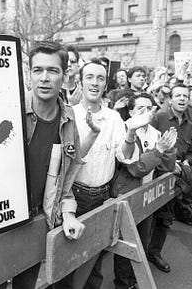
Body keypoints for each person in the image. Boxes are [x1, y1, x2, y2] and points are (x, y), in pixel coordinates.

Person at [0, 41, 86, 289]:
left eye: (53, 71)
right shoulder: (8, 106)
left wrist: (68, 214)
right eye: (38, 70)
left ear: (64, 75)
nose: (44, 78)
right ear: (29, 74)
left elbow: (67, 179)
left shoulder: (68, 118)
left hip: (35, 221)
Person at [61, 60, 140, 288]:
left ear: (106, 84)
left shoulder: (114, 117)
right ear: (80, 81)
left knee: (94, 260)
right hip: (73, 197)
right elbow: (66, 163)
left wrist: (131, 133)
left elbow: (123, 155)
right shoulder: (69, 115)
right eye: (90, 77)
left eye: (100, 78)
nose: (95, 83)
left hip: (102, 196)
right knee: (67, 260)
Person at [113, 93, 177, 289]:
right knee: (126, 245)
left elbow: (166, 166)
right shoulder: (123, 130)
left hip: (147, 194)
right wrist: (158, 150)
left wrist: (170, 150)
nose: (146, 113)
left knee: (141, 240)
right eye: (140, 108)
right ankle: (124, 284)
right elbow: (136, 168)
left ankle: (133, 281)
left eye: (150, 108)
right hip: (127, 196)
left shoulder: (156, 133)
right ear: (131, 111)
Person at [148, 84, 192, 273]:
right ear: (170, 99)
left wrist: (185, 162)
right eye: (178, 95)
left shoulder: (190, 126)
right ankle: (137, 258)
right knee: (146, 219)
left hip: (174, 180)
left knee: (165, 219)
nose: (182, 99)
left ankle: (154, 253)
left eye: (185, 96)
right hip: (154, 177)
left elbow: (191, 152)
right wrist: (167, 164)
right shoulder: (158, 118)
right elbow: (147, 147)